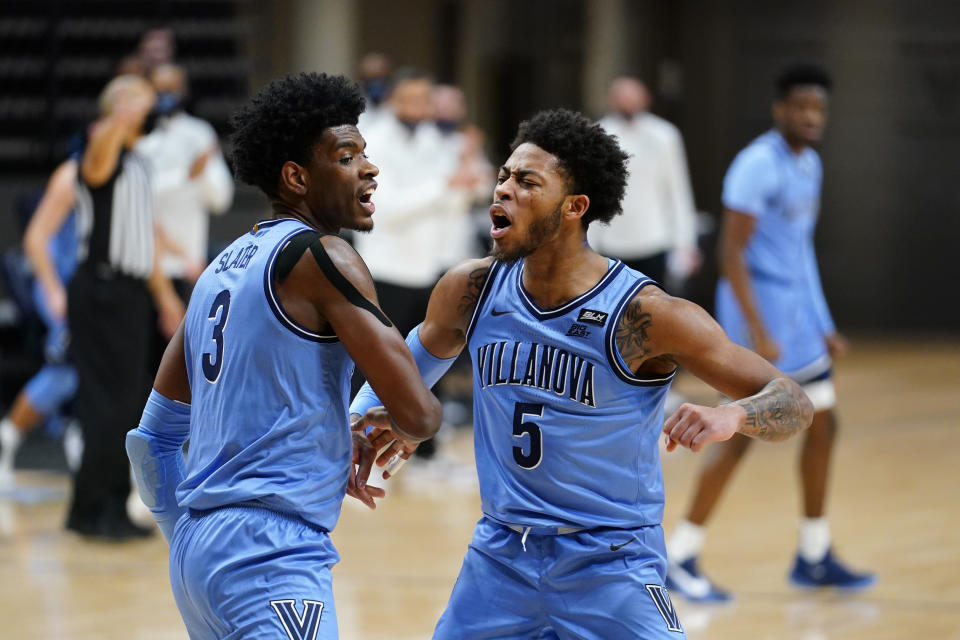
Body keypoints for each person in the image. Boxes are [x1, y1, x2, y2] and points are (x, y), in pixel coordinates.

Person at [349, 109, 814, 639]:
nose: (503, 191)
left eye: (527, 182)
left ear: (574, 207)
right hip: (500, 557)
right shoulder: (471, 290)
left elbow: (793, 401)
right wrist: (358, 427)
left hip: (610, 562)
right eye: (503, 177)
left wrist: (734, 414)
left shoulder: (646, 314)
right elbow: (401, 376)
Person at [125, 72, 442, 639]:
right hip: (271, 553)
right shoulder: (325, 256)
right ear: (296, 176)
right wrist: (382, 427)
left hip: (198, 554)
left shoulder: (220, 268)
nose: (369, 169)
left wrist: (192, 539)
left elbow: (150, 442)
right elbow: (419, 413)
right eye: (346, 157)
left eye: (365, 154)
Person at [664, 63, 876, 603]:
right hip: (759, 324)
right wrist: (754, 330)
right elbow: (730, 252)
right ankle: (679, 556)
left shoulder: (810, 166)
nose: (810, 117)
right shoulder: (756, 165)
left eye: (818, 109)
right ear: (780, 109)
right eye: (801, 107)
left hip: (800, 325)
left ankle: (813, 554)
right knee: (734, 437)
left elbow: (801, 252)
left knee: (824, 427)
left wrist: (824, 323)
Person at [65, 74, 184, 540]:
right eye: (136, 103)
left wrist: (165, 296)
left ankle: (110, 503)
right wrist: (118, 111)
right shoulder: (101, 153)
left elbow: (145, 239)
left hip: (133, 292)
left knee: (130, 404)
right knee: (106, 404)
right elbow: (95, 169)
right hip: (100, 288)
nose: (146, 109)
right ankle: (92, 512)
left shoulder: (140, 163)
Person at [0, 158, 81, 487]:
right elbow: (36, 240)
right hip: (59, 291)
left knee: (85, 373)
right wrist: (53, 291)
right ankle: (8, 435)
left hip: (84, 295)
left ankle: (83, 446)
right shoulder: (72, 175)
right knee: (65, 370)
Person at [587, 76, 700, 291]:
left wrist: (685, 243)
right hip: (611, 242)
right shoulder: (598, 134)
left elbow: (677, 190)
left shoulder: (664, 135)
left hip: (654, 240)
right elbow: (592, 191)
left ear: (646, 99)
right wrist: (589, 243)